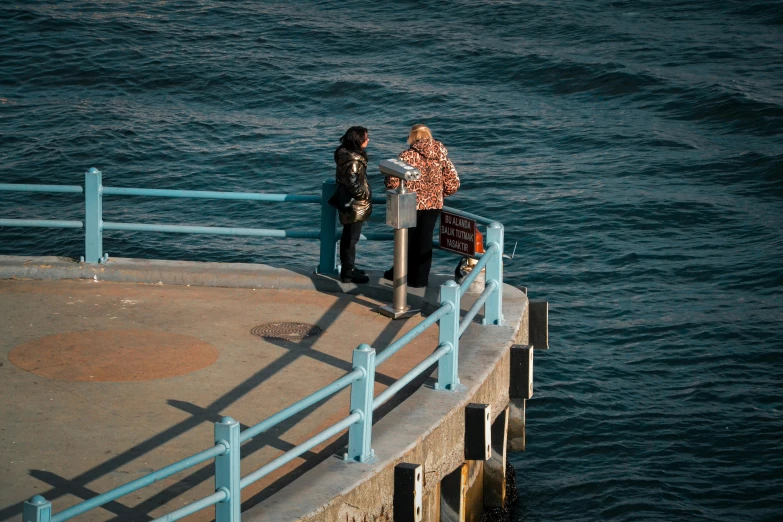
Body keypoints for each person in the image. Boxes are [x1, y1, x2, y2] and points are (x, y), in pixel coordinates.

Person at [383, 124, 460, 287]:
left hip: (410, 203)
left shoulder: (406, 156)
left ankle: (400, 274)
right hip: (434, 204)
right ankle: (420, 280)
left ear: (413, 137)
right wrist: (439, 193)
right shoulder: (441, 154)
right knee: (425, 241)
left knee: (406, 240)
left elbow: (392, 182)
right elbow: (453, 182)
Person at [331, 126, 372, 284]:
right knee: (351, 238)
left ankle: (349, 267)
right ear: (358, 140)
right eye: (365, 138)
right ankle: (348, 272)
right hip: (355, 204)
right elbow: (353, 183)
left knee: (348, 236)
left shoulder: (344, 155)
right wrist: (365, 195)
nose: (368, 140)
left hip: (347, 202)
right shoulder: (354, 160)